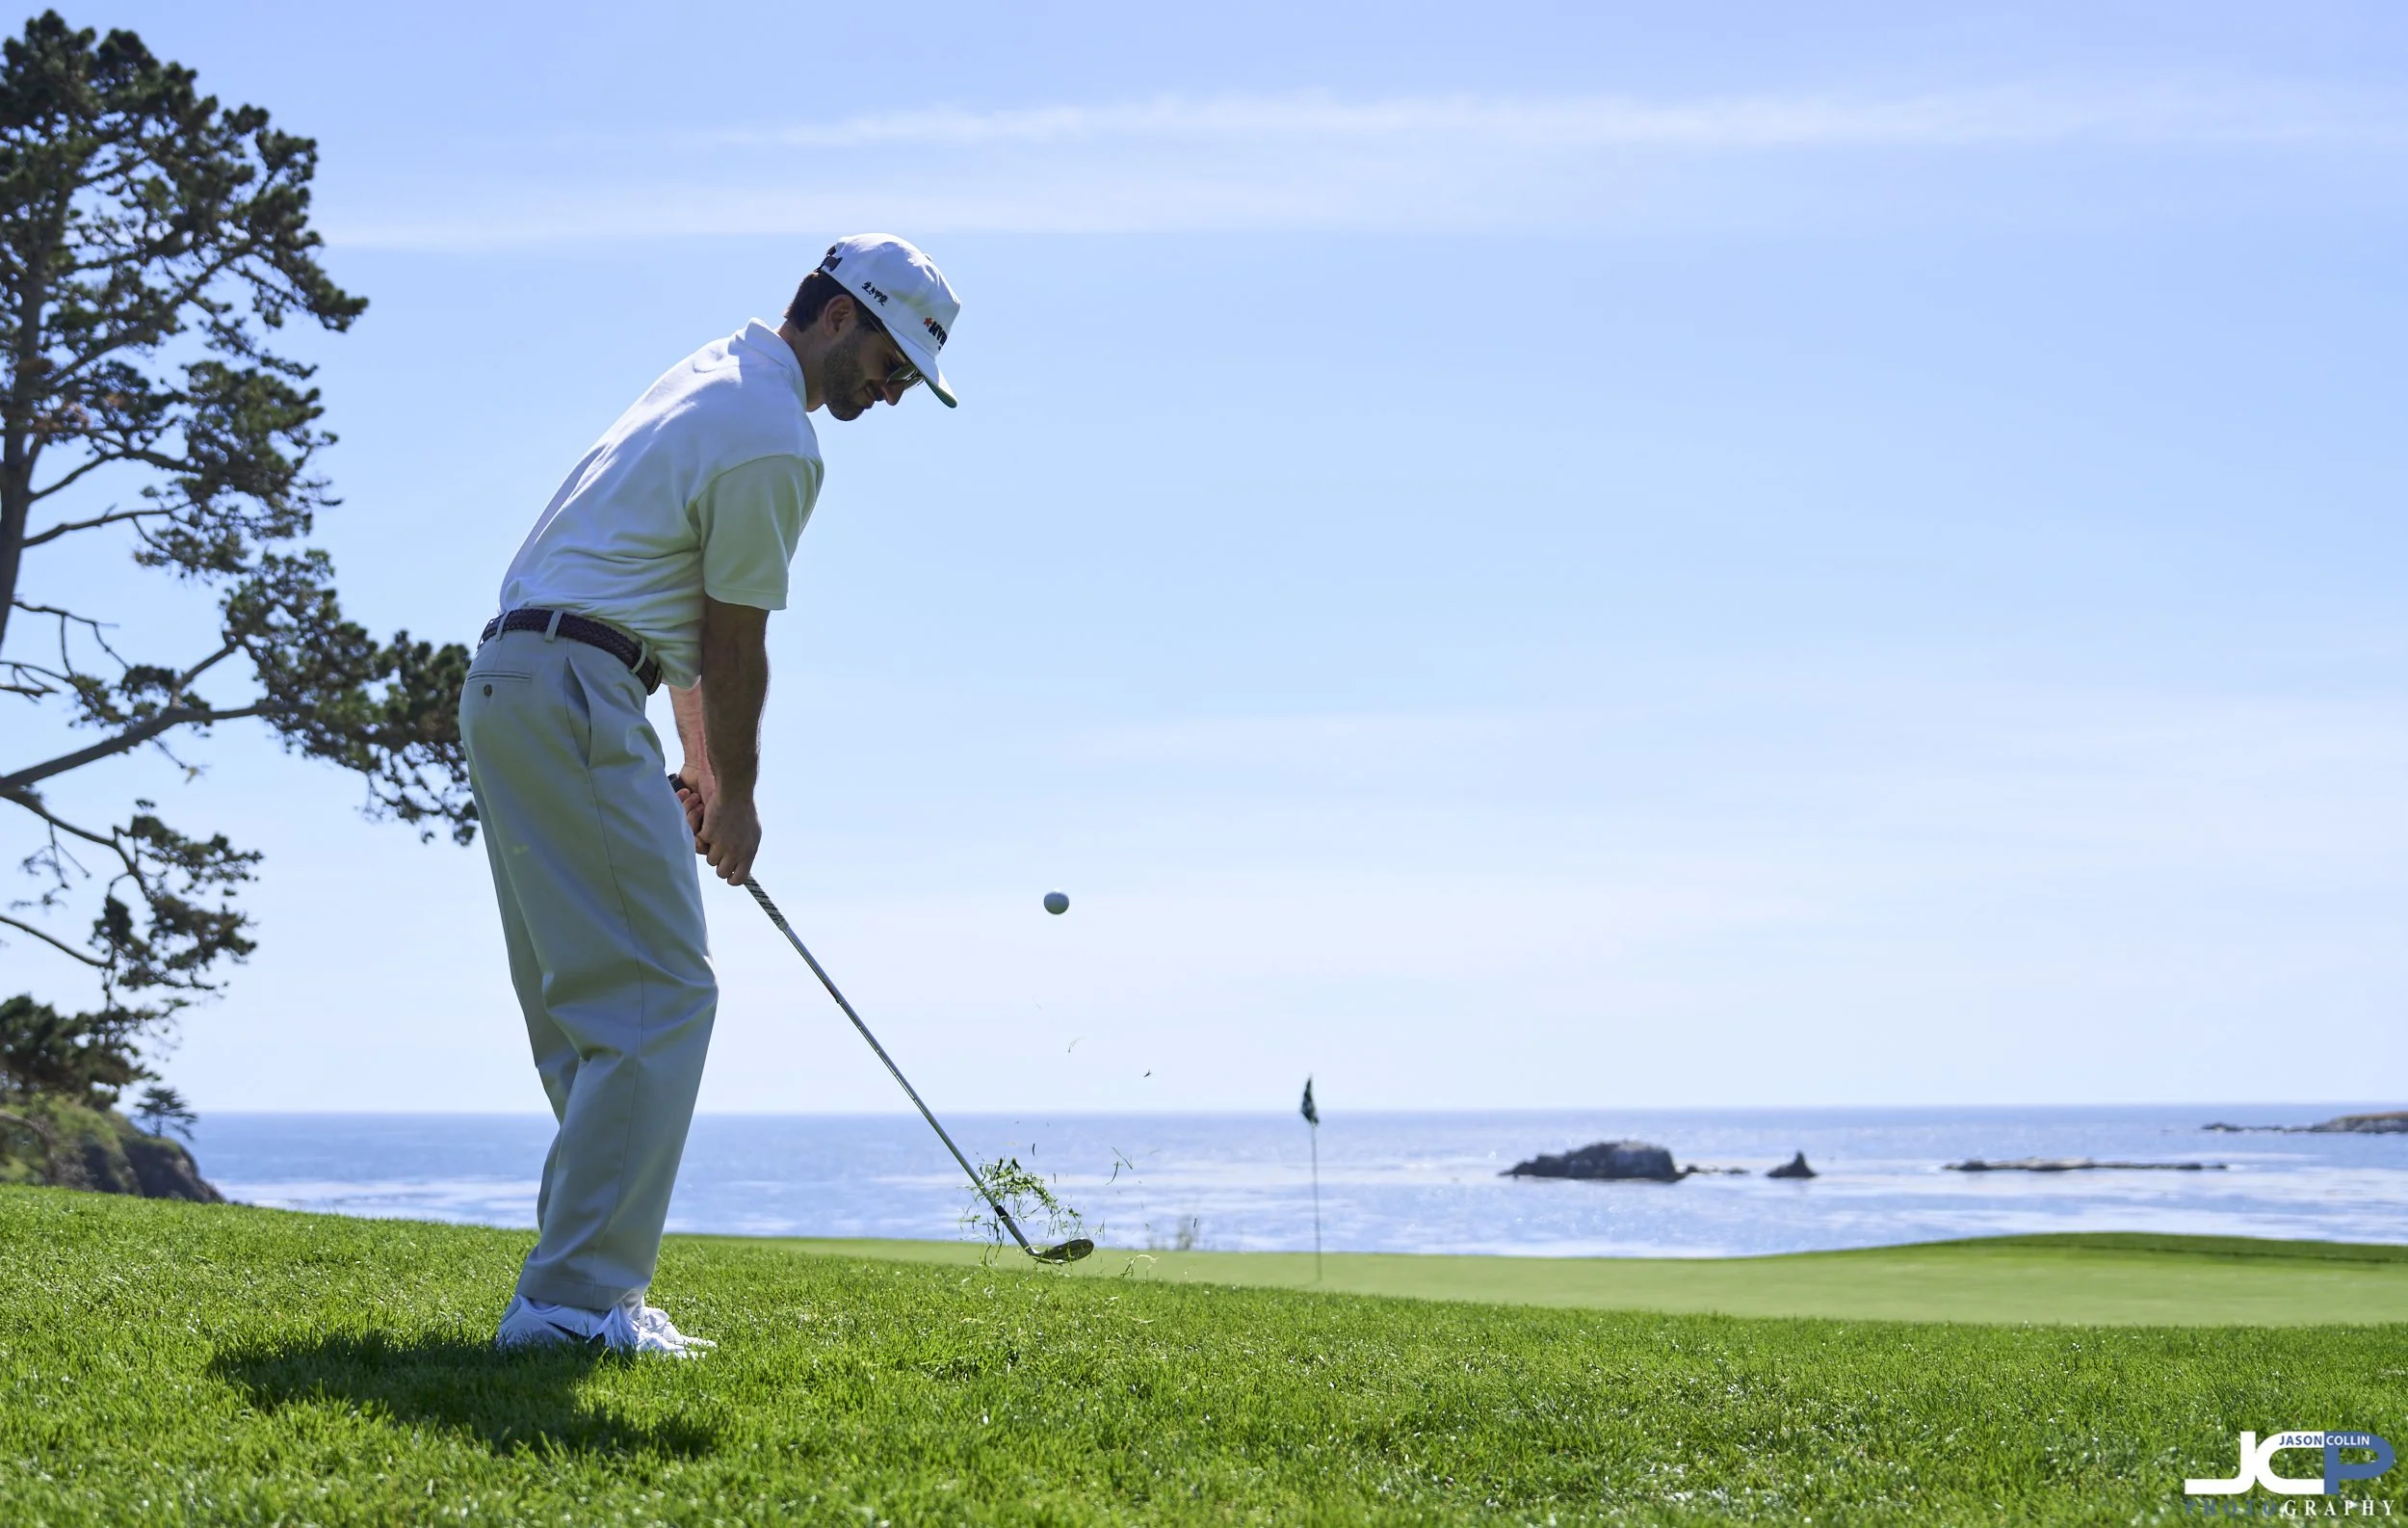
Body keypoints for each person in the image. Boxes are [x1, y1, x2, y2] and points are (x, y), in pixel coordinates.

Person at [458, 234, 961, 1356]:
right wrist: (735, 794)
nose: (886, 398)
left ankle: (583, 1288)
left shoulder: (711, 373)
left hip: (517, 681)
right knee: (661, 997)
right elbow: (732, 642)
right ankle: (573, 1302)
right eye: (889, 368)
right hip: (575, 685)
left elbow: (672, 606)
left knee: (591, 1010)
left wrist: (693, 759)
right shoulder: (776, 438)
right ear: (840, 317)